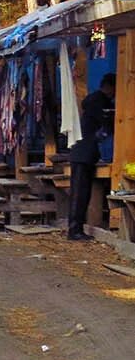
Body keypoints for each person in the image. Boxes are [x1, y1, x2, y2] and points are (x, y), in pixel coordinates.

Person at [69, 72, 116, 241]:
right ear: (109, 87)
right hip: (83, 153)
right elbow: (107, 125)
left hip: (83, 152)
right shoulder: (99, 102)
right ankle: (74, 230)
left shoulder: (94, 100)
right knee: (80, 193)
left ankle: (76, 228)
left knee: (82, 192)